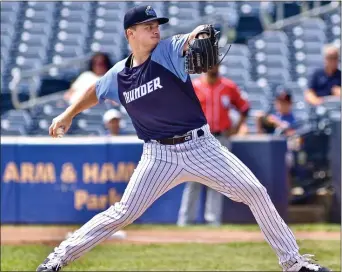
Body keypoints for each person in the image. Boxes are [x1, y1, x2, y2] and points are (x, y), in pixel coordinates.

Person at [37, 5, 330, 272]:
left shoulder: (167, 51)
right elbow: (95, 91)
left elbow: (193, 36)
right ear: (130, 33)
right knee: (122, 212)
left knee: (255, 191)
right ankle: (57, 260)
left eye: (157, 23)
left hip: (201, 146)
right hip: (157, 156)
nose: (155, 28)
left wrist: (202, 33)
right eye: (148, 24)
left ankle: (293, 263)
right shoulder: (119, 75)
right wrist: (68, 114)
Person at [177, 64, 250, 227]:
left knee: (218, 180)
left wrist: (237, 127)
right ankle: (186, 220)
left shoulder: (228, 86)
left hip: (220, 137)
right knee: (192, 178)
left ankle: (212, 220)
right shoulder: (195, 86)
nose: (212, 67)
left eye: (214, 63)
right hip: (198, 139)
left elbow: (244, 107)